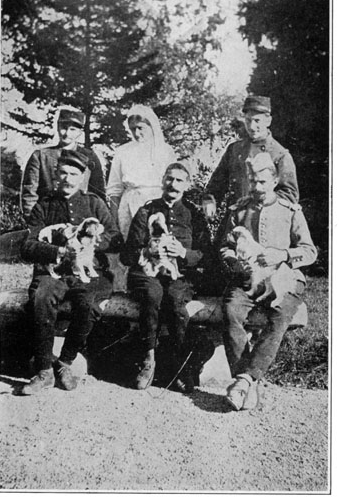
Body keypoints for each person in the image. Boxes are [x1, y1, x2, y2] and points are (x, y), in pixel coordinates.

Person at [217, 153, 317, 411]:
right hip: (248, 277)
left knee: (279, 316)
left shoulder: (289, 211)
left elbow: (309, 250)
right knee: (230, 311)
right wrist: (234, 261)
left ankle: (244, 380)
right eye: (253, 182)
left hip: (284, 278)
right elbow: (225, 248)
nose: (257, 188)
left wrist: (282, 254)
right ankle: (247, 381)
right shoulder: (239, 210)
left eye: (262, 182)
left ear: (274, 181)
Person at [20, 149, 123, 395]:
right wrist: (59, 251)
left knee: (88, 303)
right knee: (41, 298)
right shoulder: (44, 205)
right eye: (63, 172)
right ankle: (44, 370)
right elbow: (28, 245)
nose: (67, 178)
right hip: (54, 271)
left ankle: (65, 362)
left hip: (89, 272)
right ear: (56, 174)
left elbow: (115, 238)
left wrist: (92, 243)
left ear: (82, 177)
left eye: (73, 174)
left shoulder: (94, 203)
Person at [120, 162, 213, 393]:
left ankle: (179, 366)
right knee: (153, 294)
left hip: (180, 275)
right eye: (169, 179)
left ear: (187, 185)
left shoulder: (194, 215)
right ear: (163, 180)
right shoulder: (146, 210)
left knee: (173, 298)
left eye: (179, 180)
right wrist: (147, 251)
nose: (173, 184)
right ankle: (148, 359)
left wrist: (183, 253)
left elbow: (207, 255)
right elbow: (127, 254)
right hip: (147, 272)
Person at [203, 95, 299, 225]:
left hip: (266, 223)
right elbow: (216, 184)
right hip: (235, 220)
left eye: (257, 121)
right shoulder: (234, 150)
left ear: (268, 121)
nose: (252, 127)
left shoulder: (280, 155)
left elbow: (290, 195)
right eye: (248, 121)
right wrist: (209, 200)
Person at [21, 105, 106, 219]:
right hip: (47, 215)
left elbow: (98, 192)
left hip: (81, 216)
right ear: (57, 127)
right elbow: (30, 194)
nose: (66, 133)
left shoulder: (89, 156)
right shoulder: (40, 156)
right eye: (64, 127)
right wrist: (32, 221)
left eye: (72, 129)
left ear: (80, 132)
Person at [106, 104, 176, 241]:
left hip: (158, 205)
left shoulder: (166, 151)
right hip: (129, 206)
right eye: (133, 129)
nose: (137, 133)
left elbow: (174, 184)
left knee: (158, 245)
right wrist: (114, 222)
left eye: (141, 128)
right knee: (132, 249)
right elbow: (114, 190)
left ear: (152, 127)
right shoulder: (122, 152)